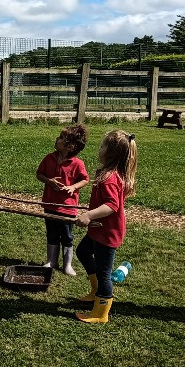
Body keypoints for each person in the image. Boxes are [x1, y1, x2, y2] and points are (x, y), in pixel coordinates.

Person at [74, 130, 137, 325]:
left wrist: (89, 215)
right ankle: (95, 291)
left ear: (111, 153)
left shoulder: (110, 177)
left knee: (104, 274)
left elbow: (112, 206)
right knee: (83, 251)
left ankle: (101, 312)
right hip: (99, 229)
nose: (99, 149)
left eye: (102, 146)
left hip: (107, 233)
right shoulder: (106, 174)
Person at [35, 124, 89, 275]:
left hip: (67, 207)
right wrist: (49, 181)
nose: (56, 139)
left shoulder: (77, 164)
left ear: (70, 146)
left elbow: (85, 180)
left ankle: (67, 265)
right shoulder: (49, 158)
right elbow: (39, 174)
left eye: (60, 138)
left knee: (67, 236)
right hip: (50, 205)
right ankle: (51, 261)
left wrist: (73, 187)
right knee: (51, 233)